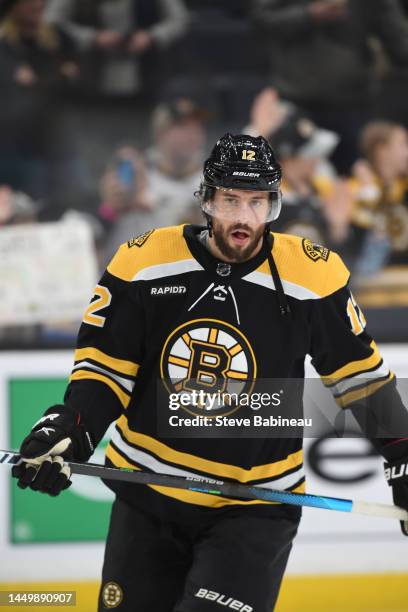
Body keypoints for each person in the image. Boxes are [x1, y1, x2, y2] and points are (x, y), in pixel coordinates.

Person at [12, 134, 408, 612]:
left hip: (256, 507)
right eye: (230, 200)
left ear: (274, 204)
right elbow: (107, 370)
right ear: (207, 199)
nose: (244, 217)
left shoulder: (313, 277)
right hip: (148, 494)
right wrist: (72, 426)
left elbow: (359, 378)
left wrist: (402, 453)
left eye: (258, 201)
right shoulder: (144, 261)